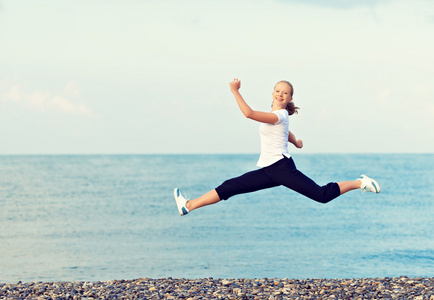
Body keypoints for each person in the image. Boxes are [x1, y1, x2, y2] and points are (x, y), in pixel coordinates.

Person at [174, 78, 380, 216]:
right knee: (230, 186)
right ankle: (188, 206)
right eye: (278, 91)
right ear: (272, 93)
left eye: (285, 93)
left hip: (281, 168)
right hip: (269, 170)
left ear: (290, 98)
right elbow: (284, 132)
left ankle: (359, 183)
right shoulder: (280, 118)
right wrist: (296, 141)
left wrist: (234, 91)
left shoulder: (279, 115)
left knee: (321, 195)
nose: (281, 94)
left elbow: (248, 114)